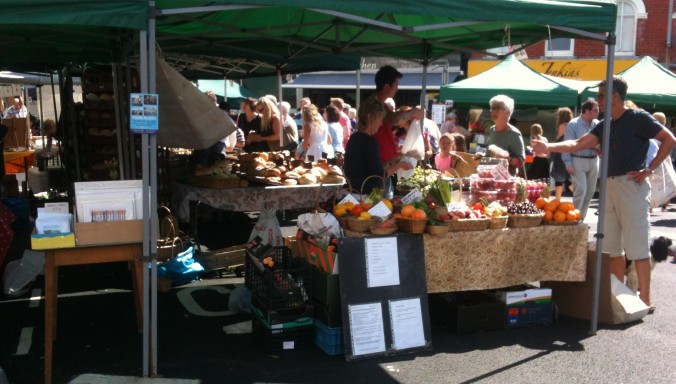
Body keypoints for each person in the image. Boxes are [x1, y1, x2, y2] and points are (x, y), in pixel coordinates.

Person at [531, 76, 676, 310]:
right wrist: (548, 146)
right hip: (608, 187)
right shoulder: (606, 123)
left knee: (638, 247)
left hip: (632, 187)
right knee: (612, 248)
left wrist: (649, 169)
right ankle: (619, 298)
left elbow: (669, 139)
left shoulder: (638, 117)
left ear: (615, 96)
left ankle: (646, 300)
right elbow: (578, 143)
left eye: (601, 95)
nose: (597, 101)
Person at [371, 65, 424, 197]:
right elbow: (394, 119)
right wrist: (414, 112)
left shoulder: (380, 105)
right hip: (379, 168)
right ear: (387, 87)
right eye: (396, 85)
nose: (397, 89)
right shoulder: (374, 105)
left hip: (385, 166)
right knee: (381, 206)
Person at [344, 96, 412, 194]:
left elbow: (367, 168)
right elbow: (379, 175)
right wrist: (399, 165)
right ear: (369, 117)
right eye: (380, 119)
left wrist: (390, 161)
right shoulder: (370, 142)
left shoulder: (354, 138)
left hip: (354, 191)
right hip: (366, 195)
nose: (380, 124)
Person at [562, 99, 600, 220]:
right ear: (587, 111)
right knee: (581, 191)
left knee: (589, 193)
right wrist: (568, 163)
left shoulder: (597, 124)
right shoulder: (573, 124)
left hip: (594, 160)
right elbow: (567, 144)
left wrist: (596, 147)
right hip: (577, 159)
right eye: (595, 110)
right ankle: (574, 218)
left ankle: (581, 219)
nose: (598, 112)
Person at [485, 95, 525, 176]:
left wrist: (507, 159)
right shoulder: (491, 130)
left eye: (498, 108)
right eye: (493, 108)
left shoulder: (514, 133)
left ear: (507, 112)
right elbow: (491, 153)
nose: (494, 111)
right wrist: (483, 156)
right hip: (489, 177)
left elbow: (521, 161)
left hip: (506, 181)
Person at [551, 107, 574, 200]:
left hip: (561, 152)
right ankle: (579, 195)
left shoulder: (562, 125)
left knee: (559, 176)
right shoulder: (572, 125)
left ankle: (557, 199)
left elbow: (560, 139)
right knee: (568, 177)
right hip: (570, 151)